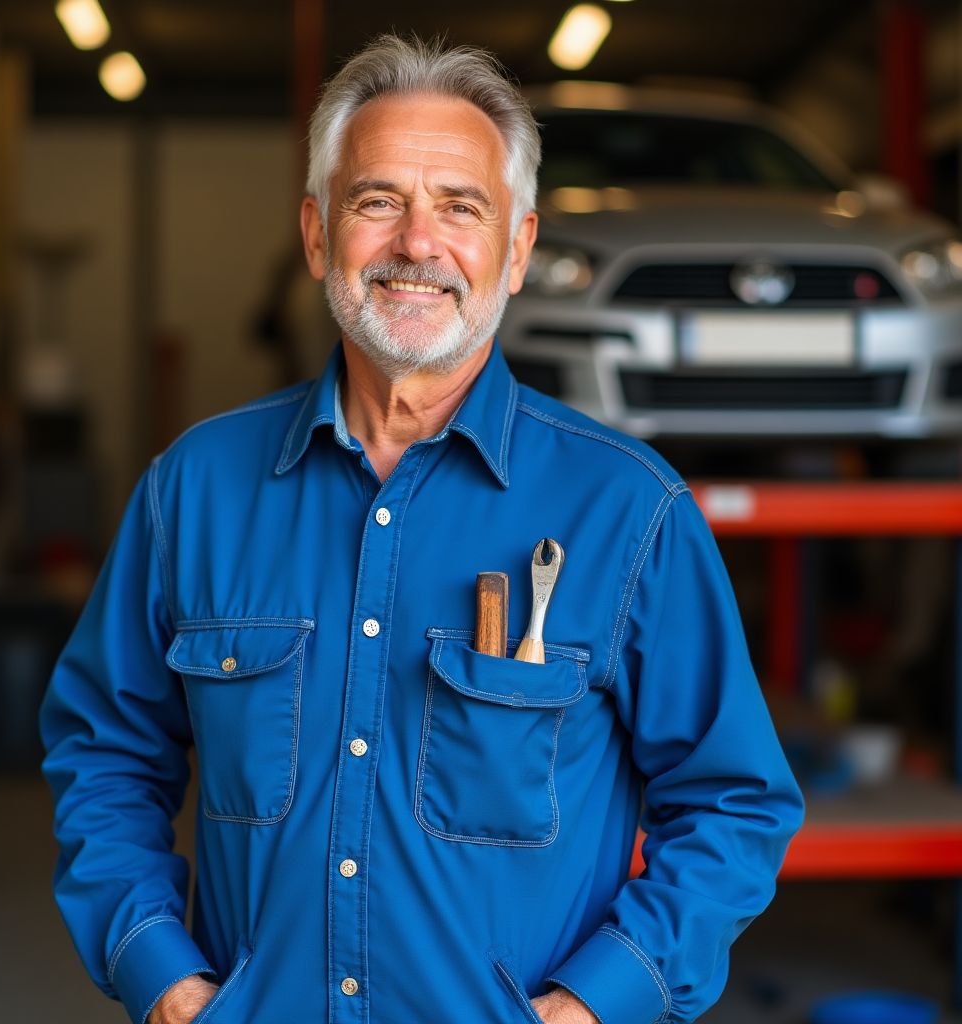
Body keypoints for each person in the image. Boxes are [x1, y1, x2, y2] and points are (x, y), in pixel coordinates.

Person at [41, 34, 804, 1024]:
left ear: (518, 248)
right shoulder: (193, 490)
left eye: (460, 205)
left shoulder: (629, 513)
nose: (416, 242)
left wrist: (591, 1005)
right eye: (376, 201)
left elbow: (732, 802)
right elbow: (106, 749)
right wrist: (162, 975)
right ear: (317, 236)